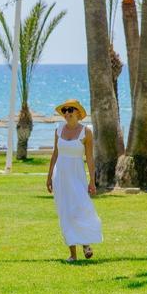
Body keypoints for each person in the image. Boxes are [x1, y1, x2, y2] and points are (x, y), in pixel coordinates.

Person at [46, 99, 102, 262]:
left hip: (77, 175)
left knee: (82, 207)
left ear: (78, 112)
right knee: (65, 212)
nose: (67, 113)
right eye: (65, 110)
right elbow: (55, 153)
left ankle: (86, 243)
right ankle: (72, 254)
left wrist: (92, 180)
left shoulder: (86, 132)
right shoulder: (58, 130)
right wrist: (49, 176)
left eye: (71, 110)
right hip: (60, 176)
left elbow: (90, 158)